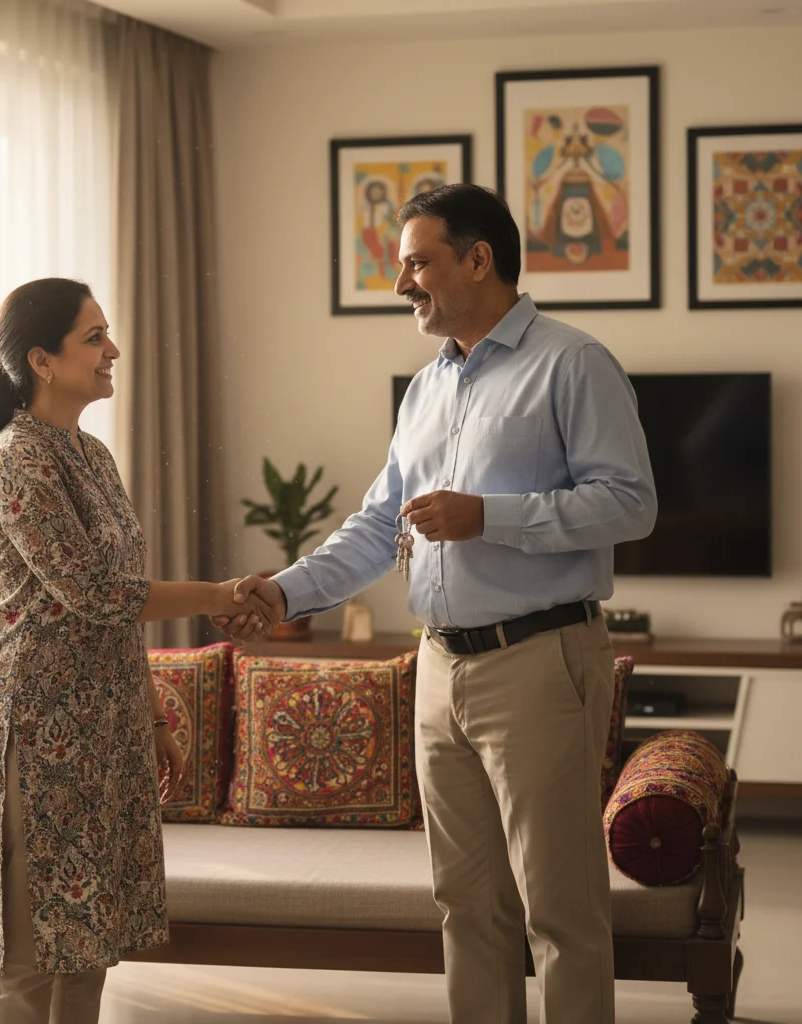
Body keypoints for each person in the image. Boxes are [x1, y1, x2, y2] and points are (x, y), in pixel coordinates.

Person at [218, 184, 657, 1024]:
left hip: (540, 662)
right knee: (466, 905)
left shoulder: (573, 363)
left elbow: (630, 504)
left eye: (417, 261)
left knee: (559, 911)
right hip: (438, 667)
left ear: (478, 259)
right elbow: (379, 525)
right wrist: (281, 592)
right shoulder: (424, 390)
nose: (401, 284)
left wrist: (488, 516)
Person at [0, 277, 277, 1024]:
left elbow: (119, 605)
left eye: (107, 333)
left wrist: (153, 718)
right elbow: (97, 592)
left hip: (105, 729)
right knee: (32, 954)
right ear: (42, 360)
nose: (113, 351)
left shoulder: (92, 454)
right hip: (36, 731)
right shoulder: (16, 460)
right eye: (93, 337)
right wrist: (222, 593)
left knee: (89, 940)